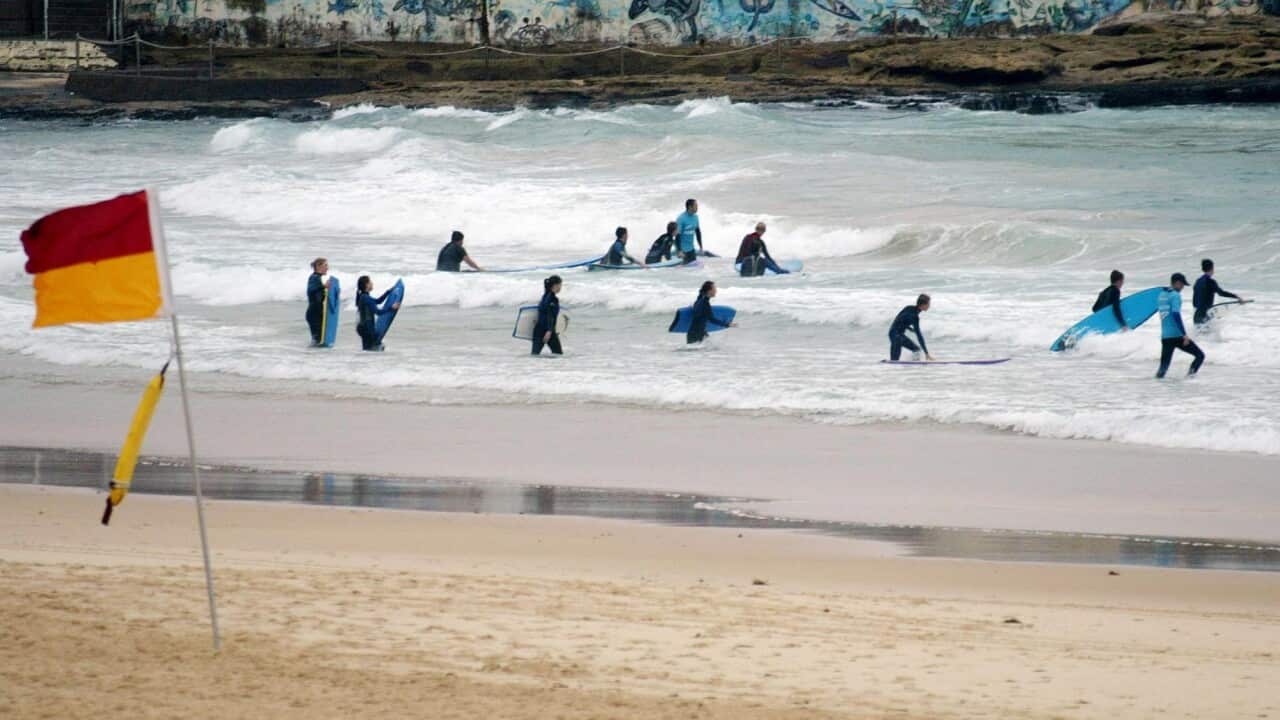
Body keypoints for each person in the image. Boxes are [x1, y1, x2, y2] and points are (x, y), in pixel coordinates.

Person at [1156, 273, 1205, 379]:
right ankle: (1189, 378)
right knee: (1200, 356)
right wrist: (1184, 334)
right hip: (1177, 336)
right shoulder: (1175, 295)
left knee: (1163, 368)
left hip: (1165, 337)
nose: (1183, 288)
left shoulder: (1162, 295)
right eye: (1182, 285)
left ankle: (1154, 388)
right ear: (1177, 283)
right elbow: (1175, 314)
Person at [1192, 258, 1246, 325]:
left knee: (1200, 335)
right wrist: (1236, 297)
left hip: (1196, 316)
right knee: (1208, 335)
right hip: (1205, 315)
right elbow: (1221, 293)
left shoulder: (1197, 282)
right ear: (1212, 268)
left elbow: (1194, 302)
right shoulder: (1210, 282)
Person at [354, 275, 400, 352]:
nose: (372, 283)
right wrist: (391, 308)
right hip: (367, 329)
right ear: (366, 285)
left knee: (367, 351)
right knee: (376, 348)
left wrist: (388, 292)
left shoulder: (364, 296)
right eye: (370, 282)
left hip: (363, 328)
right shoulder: (366, 298)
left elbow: (378, 301)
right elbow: (378, 312)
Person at [888, 294, 934, 362]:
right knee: (895, 361)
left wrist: (910, 329)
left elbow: (899, 320)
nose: (929, 306)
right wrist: (926, 353)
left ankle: (913, 367)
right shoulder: (914, 317)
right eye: (928, 304)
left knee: (916, 350)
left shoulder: (908, 308)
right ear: (923, 305)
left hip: (895, 333)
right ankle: (913, 366)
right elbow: (919, 336)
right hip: (896, 336)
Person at [532, 275, 563, 356]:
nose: (561, 287)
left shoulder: (545, 296)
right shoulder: (553, 299)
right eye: (560, 285)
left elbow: (542, 312)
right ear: (555, 285)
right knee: (559, 355)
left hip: (538, 330)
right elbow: (550, 315)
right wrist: (549, 331)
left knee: (534, 355)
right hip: (548, 331)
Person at [306, 257, 332, 346]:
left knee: (318, 340)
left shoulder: (318, 278)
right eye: (325, 265)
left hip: (317, 313)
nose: (327, 268)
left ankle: (315, 357)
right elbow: (310, 290)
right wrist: (324, 286)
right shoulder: (314, 277)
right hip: (314, 314)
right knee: (317, 340)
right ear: (318, 266)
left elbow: (320, 296)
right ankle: (311, 357)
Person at [675, 198, 703, 264]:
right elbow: (677, 236)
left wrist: (701, 247)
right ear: (690, 207)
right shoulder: (681, 218)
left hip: (691, 250)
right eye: (696, 206)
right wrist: (679, 251)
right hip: (682, 251)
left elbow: (698, 232)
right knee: (683, 271)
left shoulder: (696, 217)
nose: (697, 207)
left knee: (692, 271)